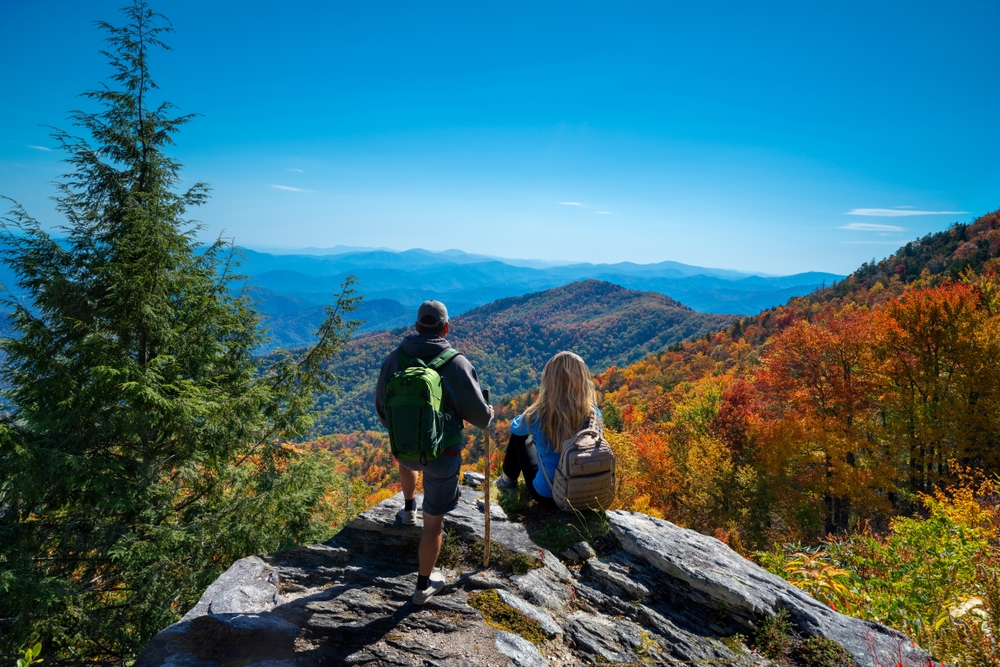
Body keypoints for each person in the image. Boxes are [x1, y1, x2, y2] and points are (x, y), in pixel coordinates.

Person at [375, 300, 493, 604]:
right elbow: (481, 418)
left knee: (409, 461)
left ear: (416, 327)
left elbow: (382, 407)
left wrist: (404, 431)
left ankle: (408, 508)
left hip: (404, 449)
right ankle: (422, 586)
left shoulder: (394, 359)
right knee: (434, 523)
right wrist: (489, 411)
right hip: (444, 454)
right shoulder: (456, 363)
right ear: (446, 327)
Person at [495, 351, 603, 506]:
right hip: (586, 495)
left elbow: (515, 427)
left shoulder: (539, 415)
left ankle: (507, 481)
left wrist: (535, 407)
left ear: (549, 381)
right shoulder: (594, 415)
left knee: (519, 438)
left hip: (548, 494)